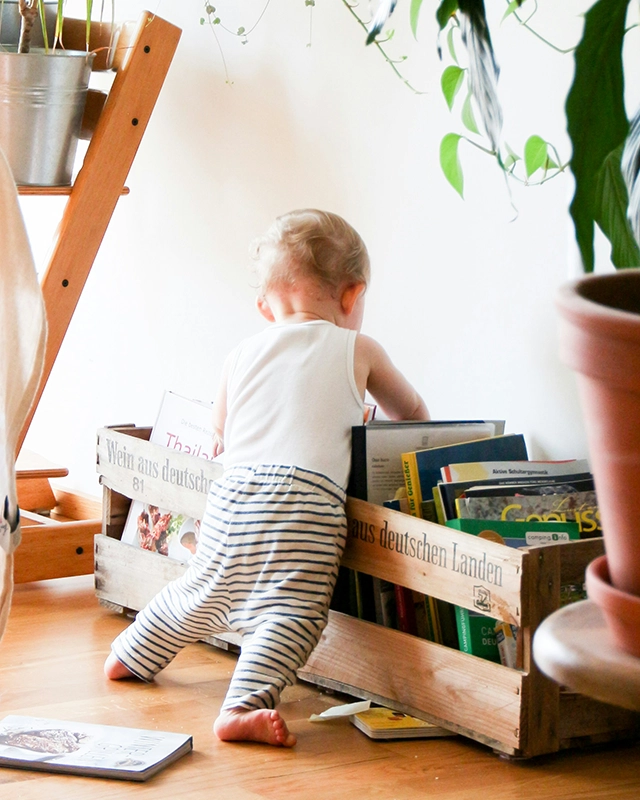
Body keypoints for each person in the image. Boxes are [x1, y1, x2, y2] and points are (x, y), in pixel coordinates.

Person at [104, 209, 429, 747]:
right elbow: (413, 415)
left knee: (203, 590)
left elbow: (220, 433)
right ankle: (242, 705)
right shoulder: (359, 349)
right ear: (352, 296)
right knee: (293, 611)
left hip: (235, 495)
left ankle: (131, 654)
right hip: (307, 504)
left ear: (265, 306)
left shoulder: (240, 354)